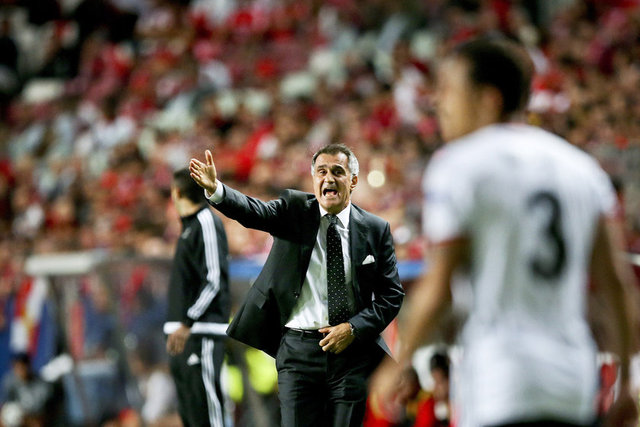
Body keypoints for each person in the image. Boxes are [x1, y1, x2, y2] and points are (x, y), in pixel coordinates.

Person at [370, 37, 639, 427]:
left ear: (488, 99)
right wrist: (626, 382)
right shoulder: (582, 169)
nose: (438, 102)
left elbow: (439, 286)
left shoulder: (458, 164)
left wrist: (399, 361)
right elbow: (616, 284)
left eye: (449, 90)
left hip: (500, 379)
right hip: (572, 381)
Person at [189, 143, 405, 427]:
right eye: (321, 171)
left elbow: (391, 296)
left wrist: (353, 328)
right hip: (298, 352)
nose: (328, 178)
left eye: (337, 171)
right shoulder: (294, 210)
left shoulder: (375, 229)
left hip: (350, 353)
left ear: (353, 181)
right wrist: (217, 190)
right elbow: (253, 211)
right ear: (313, 178)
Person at [164, 168, 230, 427]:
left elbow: (214, 279)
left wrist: (187, 321)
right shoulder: (189, 226)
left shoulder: (206, 221)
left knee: (208, 413)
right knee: (191, 415)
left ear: (177, 192)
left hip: (200, 332)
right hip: (183, 333)